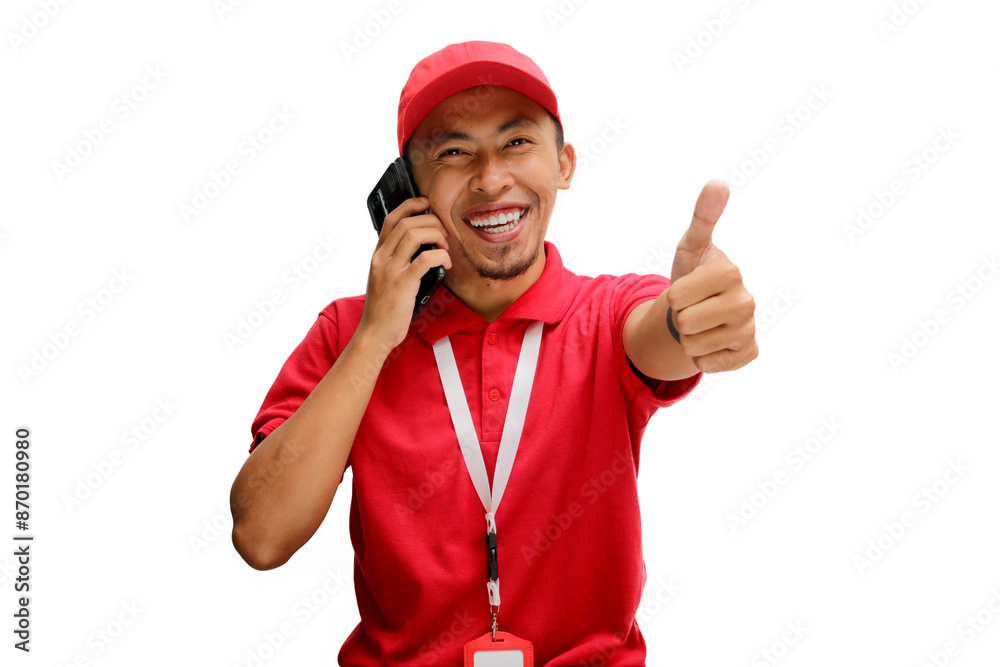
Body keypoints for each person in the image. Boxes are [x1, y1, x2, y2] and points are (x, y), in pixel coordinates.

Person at [230, 41, 758, 666]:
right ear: (407, 188)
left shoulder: (611, 311)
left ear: (563, 164)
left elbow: (657, 335)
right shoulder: (348, 332)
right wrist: (376, 335)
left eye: (516, 143)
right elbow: (262, 536)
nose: (489, 178)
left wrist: (688, 320)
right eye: (454, 152)